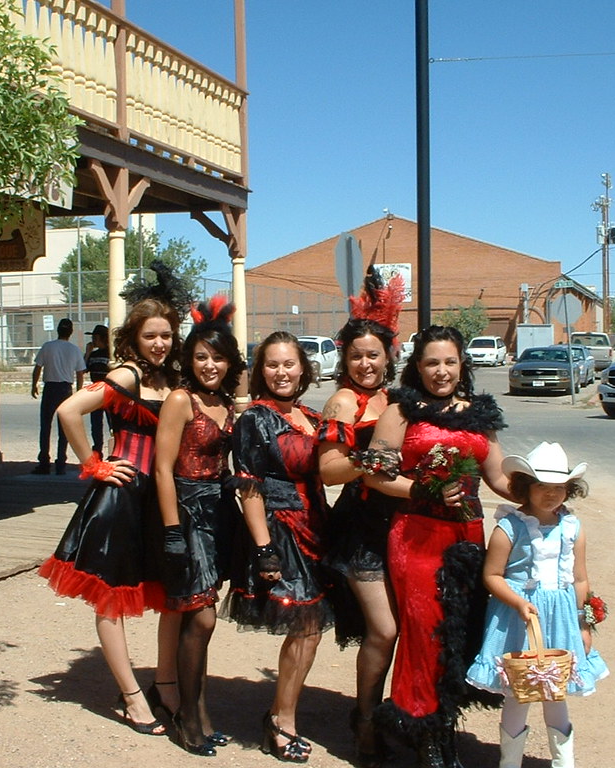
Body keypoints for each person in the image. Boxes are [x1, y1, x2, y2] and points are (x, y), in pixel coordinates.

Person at [38, 261, 190, 737]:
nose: (159, 343)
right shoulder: (127, 375)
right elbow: (68, 410)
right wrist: (94, 464)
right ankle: (132, 698)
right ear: (133, 339)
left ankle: (166, 685)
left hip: (160, 497)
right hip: (122, 497)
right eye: (151, 336)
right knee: (111, 598)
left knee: (171, 596)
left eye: (166, 335)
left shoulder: (172, 379)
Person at [360, 324, 515, 768]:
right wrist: (423, 490)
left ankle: (443, 727)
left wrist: (545, 494)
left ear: (462, 364)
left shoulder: (479, 413)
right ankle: (424, 734)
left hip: (467, 538)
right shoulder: (400, 411)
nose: (441, 371)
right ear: (418, 366)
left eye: (449, 361)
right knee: (424, 633)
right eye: (432, 362)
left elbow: (499, 476)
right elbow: (375, 474)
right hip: (417, 536)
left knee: (456, 632)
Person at [221, 330, 332, 764]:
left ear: (303, 368)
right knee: (305, 626)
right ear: (260, 371)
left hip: (316, 527)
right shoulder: (254, 418)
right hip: (280, 532)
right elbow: (248, 486)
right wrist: (264, 549)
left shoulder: (311, 415)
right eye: (272, 364)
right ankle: (281, 722)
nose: (281, 372)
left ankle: (282, 714)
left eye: (289, 364)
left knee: (312, 631)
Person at [465, 442, 609, 768]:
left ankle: (563, 762)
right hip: (519, 622)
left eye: (559, 487)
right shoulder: (509, 527)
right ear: (525, 486)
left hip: (560, 621)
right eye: (542, 486)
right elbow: (492, 575)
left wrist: (583, 623)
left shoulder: (572, 528)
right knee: (520, 692)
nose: (551, 494)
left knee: (555, 691)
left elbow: (580, 579)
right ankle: (510, 763)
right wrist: (517, 601)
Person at [317, 269, 404, 768]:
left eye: (373, 355)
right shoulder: (343, 401)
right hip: (361, 529)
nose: (365, 364)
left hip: (403, 526)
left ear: (389, 356)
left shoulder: (396, 399)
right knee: (384, 631)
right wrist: (369, 463)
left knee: (407, 629)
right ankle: (366, 721)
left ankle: (393, 715)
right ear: (344, 359)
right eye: (356, 356)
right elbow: (329, 471)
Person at [154, 295, 243, 757]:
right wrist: (172, 530)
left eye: (218, 357)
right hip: (187, 514)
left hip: (218, 515)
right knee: (202, 617)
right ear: (189, 358)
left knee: (202, 616)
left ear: (230, 362)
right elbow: (162, 468)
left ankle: (200, 713)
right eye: (202, 356)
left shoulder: (225, 402)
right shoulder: (180, 399)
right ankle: (186, 718)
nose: (210, 365)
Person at [31, 318, 86, 475]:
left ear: (57, 330)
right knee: (64, 428)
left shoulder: (48, 346)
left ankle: (44, 462)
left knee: (45, 426)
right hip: (65, 389)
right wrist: (79, 391)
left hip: (50, 387)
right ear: (71, 332)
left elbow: (38, 367)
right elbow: (80, 373)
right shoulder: (74, 350)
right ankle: (61, 462)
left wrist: (34, 385)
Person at [85, 324, 111, 455]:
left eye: (96, 338)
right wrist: (88, 352)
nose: (93, 340)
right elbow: (83, 368)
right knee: (95, 425)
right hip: (95, 390)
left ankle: (115, 449)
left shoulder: (111, 354)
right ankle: (97, 451)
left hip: (109, 391)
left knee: (112, 422)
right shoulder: (93, 355)